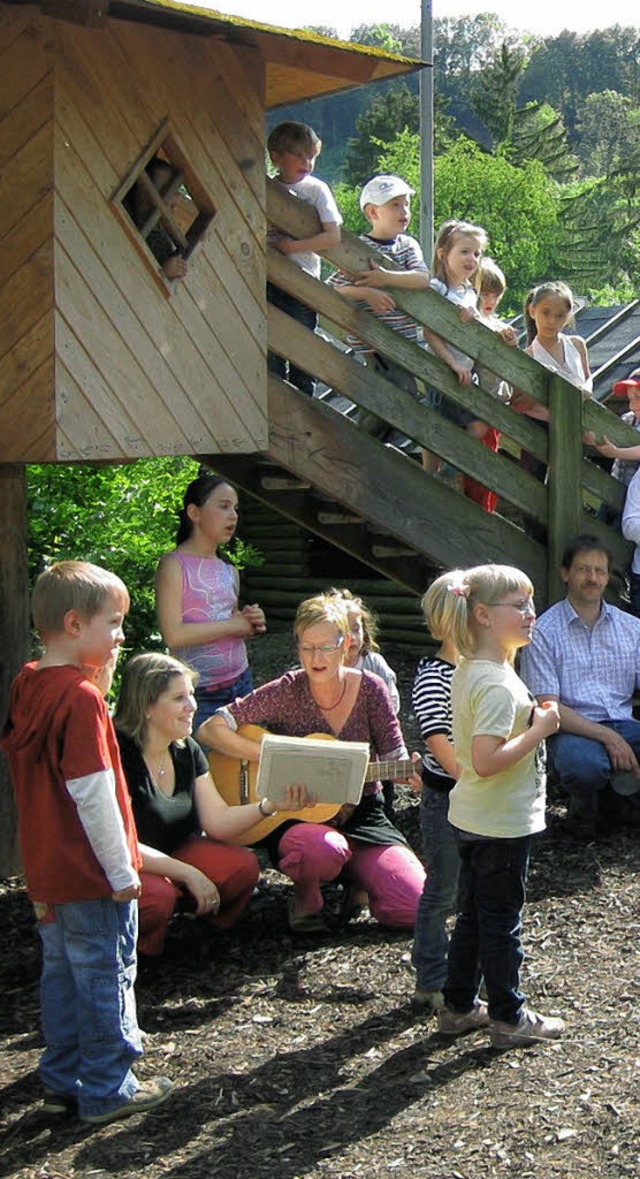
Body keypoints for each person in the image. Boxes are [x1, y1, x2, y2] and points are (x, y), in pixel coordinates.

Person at [0, 561, 173, 1123]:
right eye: (114, 623)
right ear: (75, 623)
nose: (122, 635)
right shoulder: (80, 700)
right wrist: (123, 874)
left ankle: (61, 1078)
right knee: (107, 975)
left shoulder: (29, 682)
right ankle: (107, 1087)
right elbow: (93, 793)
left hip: (48, 868)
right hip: (92, 873)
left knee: (62, 974)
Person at [199, 593, 426, 934]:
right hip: (299, 820)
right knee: (321, 849)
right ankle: (307, 898)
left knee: (414, 906)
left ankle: (356, 877)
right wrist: (266, 756)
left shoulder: (372, 689)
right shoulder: (288, 689)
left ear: (347, 643)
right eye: (307, 647)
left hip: (361, 812)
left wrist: (413, 772)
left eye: (326, 647)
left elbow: (394, 753)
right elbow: (211, 728)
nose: (316, 658)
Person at [431, 563, 564, 1049]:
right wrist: (540, 730)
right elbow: (486, 761)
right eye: (521, 606)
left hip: (475, 818)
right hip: (500, 826)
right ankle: (510, 1016)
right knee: (502, 922)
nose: (532, 614)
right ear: (483, 614)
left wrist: (525, 718)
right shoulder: (495, 683)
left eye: (531, 603)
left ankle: (459, 1006)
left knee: (473, 915)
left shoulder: (478, 669)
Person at [114, 653, 309, 956]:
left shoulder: (185, 747)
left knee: (242, 867)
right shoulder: (119, 754)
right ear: (147, 706)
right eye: (179, 698)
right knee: (157, 897)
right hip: (126, 865)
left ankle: (201, 942)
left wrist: (271, 805)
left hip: (174, 851)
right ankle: (137, 954)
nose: (192, 706)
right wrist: (188, 874)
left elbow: (216, 820)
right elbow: (120, 844)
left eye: (191, 694)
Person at [520, 534, 640, 837]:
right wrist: (608, 738)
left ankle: (618, 803)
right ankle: (583, 808)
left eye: (600, 571)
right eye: (583, 569)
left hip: (626, 723)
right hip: (573, 729)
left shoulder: (631, 628)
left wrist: (618, 735)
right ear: (565, 573)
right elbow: (548, 706)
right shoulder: (543, 632)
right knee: (582, 765)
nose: (592, 577)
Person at [327, 173, 436, 449]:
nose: (405, 212)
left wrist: (385, 278)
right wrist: (366, 292)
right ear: (373, 211)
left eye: (407, 205)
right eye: (395, 205)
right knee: (387, 395)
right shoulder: (359, 251)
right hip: (372, 341)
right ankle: (363, 447)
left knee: (402, 394)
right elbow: (333, 289)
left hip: (403, 340)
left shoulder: (408, 245)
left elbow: (422, 279)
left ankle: (372, 447)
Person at [155, 474, 266, 735]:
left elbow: (228, 623)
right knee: (205, 772)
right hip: (198, 694)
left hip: (242, 684)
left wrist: (250, 620)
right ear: (194, 512)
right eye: (224, 506)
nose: (233, 516)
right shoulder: (174, 565)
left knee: (245, 770)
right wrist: (232, 625)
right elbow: (174, 635)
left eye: (236, 509)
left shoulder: (229, 569)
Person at [410, 572, 460, 1016]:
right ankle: (430, 976)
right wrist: (470, 775)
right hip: (447, 797)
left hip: (478, 800)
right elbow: (436, 737)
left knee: (467, 889)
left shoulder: (483, 671)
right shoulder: (434, 674)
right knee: (442, 888)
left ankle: (460, 974)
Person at [267, 120, 342, 396]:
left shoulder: (316, 190)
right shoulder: (267, 189)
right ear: (276, 157)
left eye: (311, 156)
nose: (306, 162)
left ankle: (304, 406)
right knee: (271, 350)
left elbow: (332, 236)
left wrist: (293, 247)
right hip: (270, 281)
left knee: (303, 349)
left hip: (303, 283)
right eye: (298, 155)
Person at [327, 587, 400, 818]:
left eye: (357, 629)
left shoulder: (374, 664)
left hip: (374, 746)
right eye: (344, 631)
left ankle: (383, 814)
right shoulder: (323, 666)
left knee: (381, 782)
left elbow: (392, 702)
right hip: (336, 746)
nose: (353, 637)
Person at [129, 156, 188, 280]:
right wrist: (162, 273)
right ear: (143, 191)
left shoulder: (161, 240)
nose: (174, 198)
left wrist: (163, 274)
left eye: (173, 190)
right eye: (164, 190)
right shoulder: (125, 212)